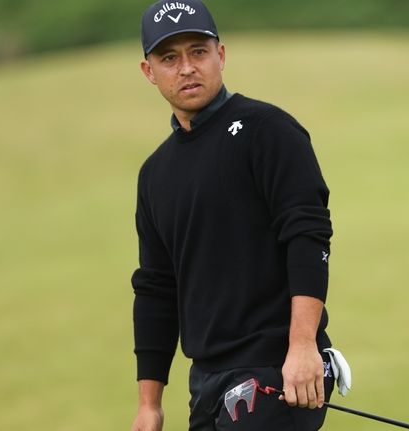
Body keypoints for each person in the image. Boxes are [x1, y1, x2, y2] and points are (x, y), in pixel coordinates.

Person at [130, 1, 335, 430]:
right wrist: (149, 404)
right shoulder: (155, 174)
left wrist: (302, 347)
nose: (187, 68)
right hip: (205, 381)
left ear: (220, 56)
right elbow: (156, 288)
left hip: (275, 369)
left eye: (198, 52)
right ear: (149, 72)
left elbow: (307, 235)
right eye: (170, 58)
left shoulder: (268, 131)